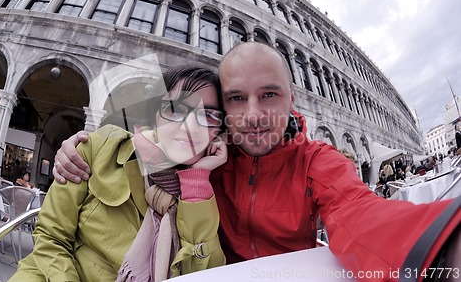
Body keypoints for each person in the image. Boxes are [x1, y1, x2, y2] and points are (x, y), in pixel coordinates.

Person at [55, 42, 460, 281]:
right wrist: (79, 145)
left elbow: (359, 214)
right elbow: (144, 135)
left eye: (269, 95)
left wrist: (440, 246)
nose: (252, 115)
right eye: (235, 98)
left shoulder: (317, 161)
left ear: (291, 101)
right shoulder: (208, 153)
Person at [9, 66, 226, 282]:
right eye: (176, 108)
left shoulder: (206, 192)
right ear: (155, 117)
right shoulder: (102, 147)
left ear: (218, 132)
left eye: (208, 116)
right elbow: (51, 237)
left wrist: (196, 181)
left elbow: (205, 273)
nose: (190, 126)